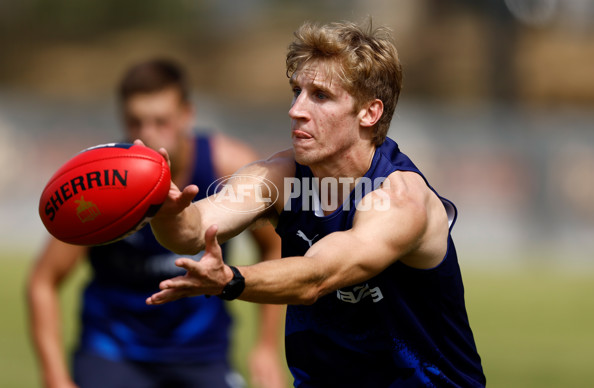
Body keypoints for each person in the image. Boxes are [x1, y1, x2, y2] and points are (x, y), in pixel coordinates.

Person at [143, 21, 486, 387]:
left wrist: (230, 280)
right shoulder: (280, 177)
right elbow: (193, 229)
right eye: (297, 91)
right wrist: (164, 211)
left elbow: (317, 277)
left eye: (320, 95)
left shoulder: (400, 201)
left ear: (369, 113)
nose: (296, 109)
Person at [27, 58, 287, 388]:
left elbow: (273, 247)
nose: (148, 133)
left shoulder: (229, 166)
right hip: (112, 353)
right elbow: (43, 280)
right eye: (136, 122)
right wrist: (55, 378)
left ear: (186, 115)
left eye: (160, 121)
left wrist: (265, 349)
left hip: (201, 353)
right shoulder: (99, 183)